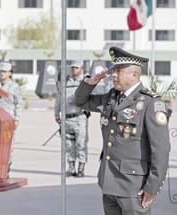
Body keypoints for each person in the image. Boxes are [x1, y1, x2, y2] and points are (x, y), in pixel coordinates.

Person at [74, 46, 170, 214]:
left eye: (119, 71)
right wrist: (90, 83)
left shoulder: (150, 103)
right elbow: (81, 101)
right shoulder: (111, 98)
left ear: (134, 75)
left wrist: (152, 187)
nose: (114, 75)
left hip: (133, 187)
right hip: (109, 183)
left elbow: (161, 150)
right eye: (113, 71)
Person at [54, 61, 89, 177]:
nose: (74, 70)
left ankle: (81, 168)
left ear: (81, 68)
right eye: (72, 67)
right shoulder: (64, 83)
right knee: (68, 145)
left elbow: (92, 97)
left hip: (79, 118)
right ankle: (71, 167)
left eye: (77, 68)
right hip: (66, 118)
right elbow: (59, 98)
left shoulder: (85, 82)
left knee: (81, 144)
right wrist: (56, 114)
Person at [0, 61, 23, 172]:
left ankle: (6, 168)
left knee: (7, 146)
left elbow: (19, 104)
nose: (2, 74)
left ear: (10, 73)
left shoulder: (14, 87)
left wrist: (17, 119)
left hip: (8, 120)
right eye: (1, 71)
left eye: (4, 72)